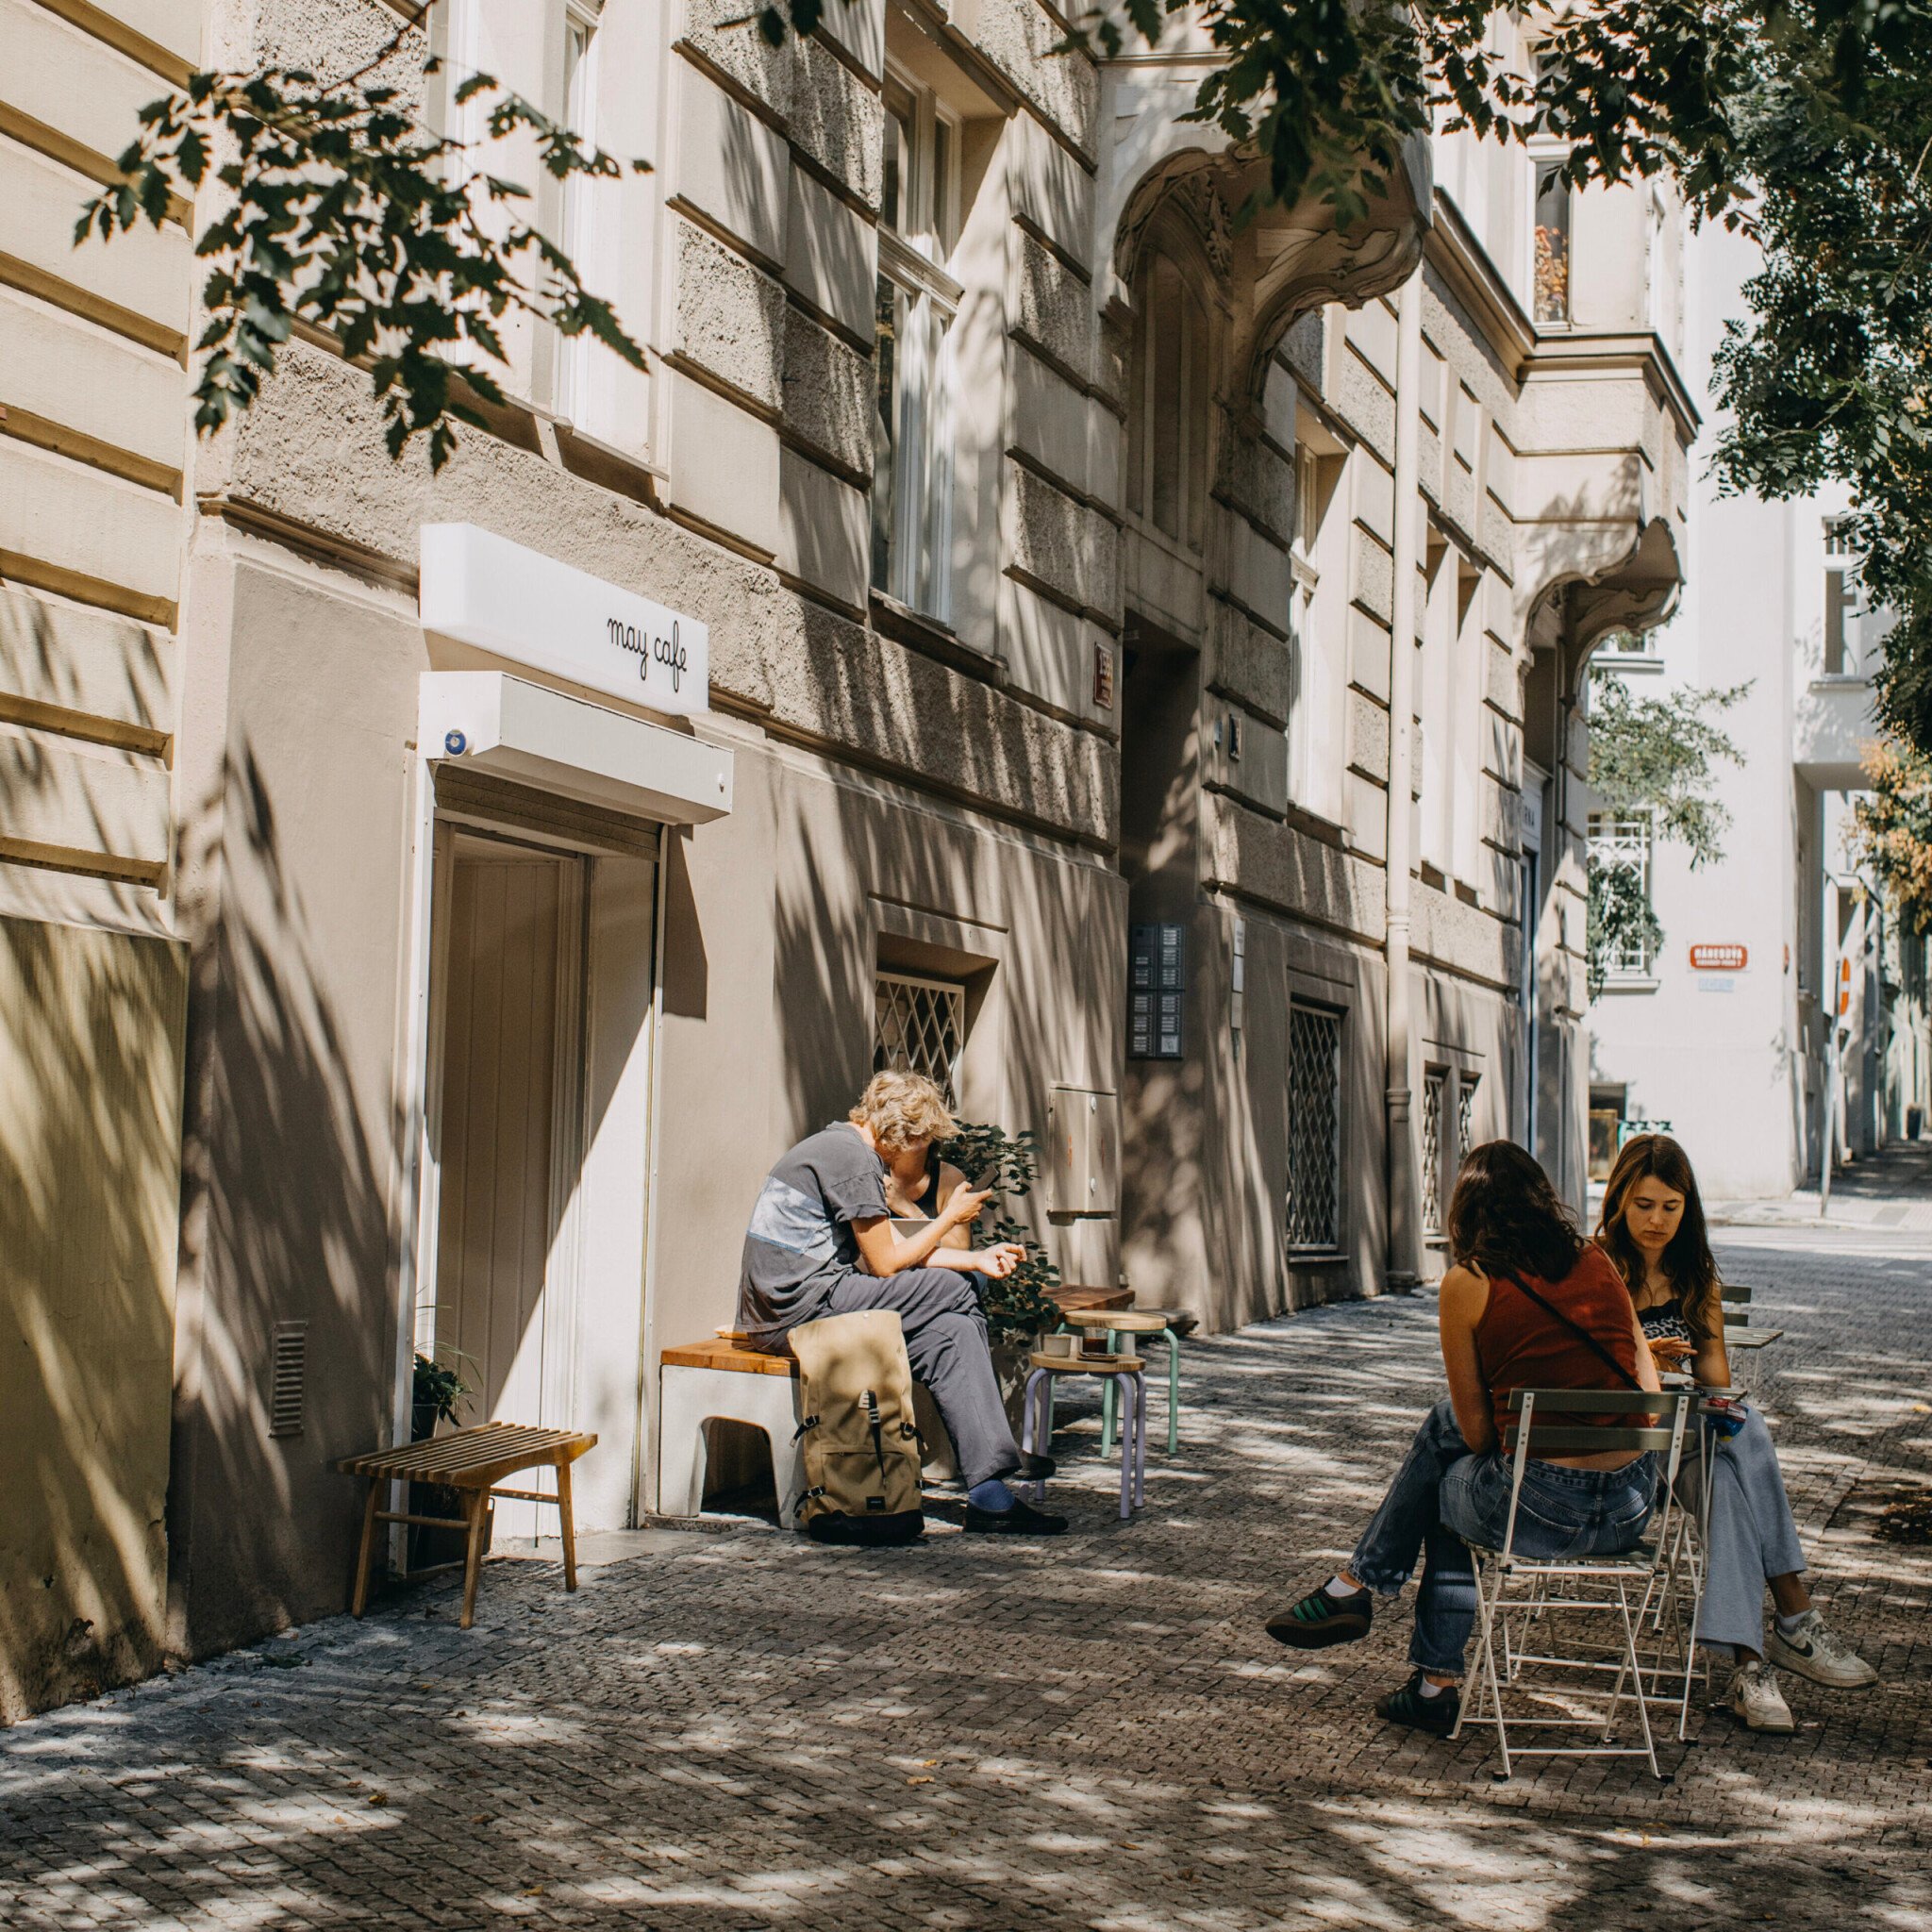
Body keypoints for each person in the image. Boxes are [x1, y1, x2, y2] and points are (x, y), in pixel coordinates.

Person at [1265, 1141, 1664, 1736]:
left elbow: (1479, 1431)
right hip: (1632, 1505)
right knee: (1447, 1452)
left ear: (1466, 1212)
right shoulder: (1600, 1262)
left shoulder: (1468, 1281)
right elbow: (1651, 1398)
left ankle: (1374, 1602)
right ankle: (1411, 1664)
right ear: (1543, 1199)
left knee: (1445, 1472)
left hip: (1544, 1512)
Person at [1597, 1133, 1877, 1731]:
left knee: (1735, 1446)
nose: (1657, 1221)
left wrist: (1694, 1366)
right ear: (1620, 1200)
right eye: (1644, 1205)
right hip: (1620, 1446)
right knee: (1741, 1444)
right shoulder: (1594, 1270)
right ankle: (1794, 1621)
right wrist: (1646, 1356)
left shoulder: (1696, 1278)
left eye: (1671, 1207)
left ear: (1688, 1208)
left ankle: (1752, 1668)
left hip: (1687, 1442)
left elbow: (1715, 1384)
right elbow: (1577, 1367)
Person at [738, 1071, 1067, 1535]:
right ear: (901, 1133)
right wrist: (952, 1218)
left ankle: (990, 1498)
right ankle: (992, 1451)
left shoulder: (841, 1149)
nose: (922, 1149)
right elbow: (887, 1264)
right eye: (921, 1139)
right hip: (798, 1311)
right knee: (961, 1290)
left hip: (818, 1298)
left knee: (950, 1333)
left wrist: (976, 1256)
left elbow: (885, 1248)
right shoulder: (851, 1159)